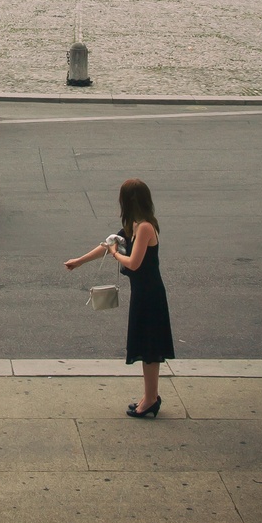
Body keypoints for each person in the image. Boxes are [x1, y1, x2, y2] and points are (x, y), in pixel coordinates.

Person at [65, 178, 174, 419]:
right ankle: (150, 397)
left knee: (150, 348)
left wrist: (115, 254)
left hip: (151, 294)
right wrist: (79, 261)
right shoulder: (133, 225)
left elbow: (133, 262)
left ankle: (151, 399)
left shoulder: (145, 227)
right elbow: (107, 245)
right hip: (142, 293)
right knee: (146, 346)